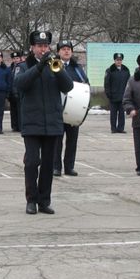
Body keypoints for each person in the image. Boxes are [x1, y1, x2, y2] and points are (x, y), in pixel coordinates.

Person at [14, 30, 74, 215]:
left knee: (48, 164)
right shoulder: (24, 66)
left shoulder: (54, 65)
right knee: (32, 162)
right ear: (32, 48)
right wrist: (39, 66)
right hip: (32, 123)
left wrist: (58, 69)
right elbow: (20, 84)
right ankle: (31, 200)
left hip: (52, 123)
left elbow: (68, 86)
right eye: (39, 46)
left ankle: (44, 200)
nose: (43, 49)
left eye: (45, 46)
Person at [53, 39, 89, 176]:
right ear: (58, 52)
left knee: (72, 141)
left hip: (74, 110)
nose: (66, 51)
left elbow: (86, 85)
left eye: (69, 49)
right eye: (63, 49)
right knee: (57, 141)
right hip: (57, 109)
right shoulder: (54, 65)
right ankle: (56, 167)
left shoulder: (77, 68)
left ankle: (69, 167)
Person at [104, 53, 130, 133]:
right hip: (113, 96)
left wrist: (128, 94)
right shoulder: (110, 70)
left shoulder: (126, 70)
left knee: (122, 114)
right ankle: (113, 128)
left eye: (120, 60)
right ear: (114, 60)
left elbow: (129, 83)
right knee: (113, 114)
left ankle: (121, 128)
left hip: (123, 96)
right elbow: (107, 83)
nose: (119, 61)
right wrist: (108, 94)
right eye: (117, 60)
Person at [8, 51, 23, 132]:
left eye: (17, 58)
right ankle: (14, 126)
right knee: (13, 110)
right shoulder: (10, 68)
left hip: (19, 92)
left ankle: (20, 126)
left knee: (20, 110)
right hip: (11, 92)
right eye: (14, 58)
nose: (16, 60)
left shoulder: (22, 67)